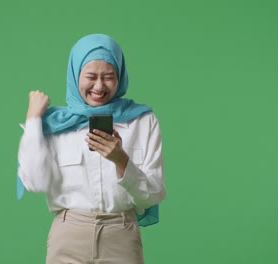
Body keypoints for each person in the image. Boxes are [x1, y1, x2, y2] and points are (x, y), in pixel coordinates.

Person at [17, 33, 166, 264]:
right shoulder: (56, 124)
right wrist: (33, 119)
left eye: (108, 77)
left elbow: (153, 195)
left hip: (122, 235)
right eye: (91, 76)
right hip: (69, 235)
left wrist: (120, 160)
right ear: (76, 75)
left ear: (120, 76)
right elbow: (37, 183)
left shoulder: (142, 121)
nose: (99, 86)